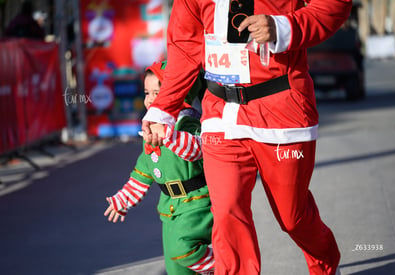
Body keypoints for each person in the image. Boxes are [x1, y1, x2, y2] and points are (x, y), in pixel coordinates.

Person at [141, 0, 353, 274]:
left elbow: (334, 4)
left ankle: (325, 264)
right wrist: (162, 110)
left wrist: (282, 27)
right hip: (220, 115)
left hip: (282, 115)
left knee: (293, 217)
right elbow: (185, 46)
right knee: (228, 213)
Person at [104, 61, 214, 275]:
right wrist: (123, 200)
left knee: (182, 249)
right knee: (175, 269)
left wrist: (168, 134)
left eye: (158, 91)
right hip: (170, 208)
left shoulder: (188, 122)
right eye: (147, 92)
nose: (151, 99)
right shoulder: (150, 130)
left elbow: (195, 149)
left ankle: (227, 265)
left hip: (198, 205)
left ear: (178, 93)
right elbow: (143, 172)